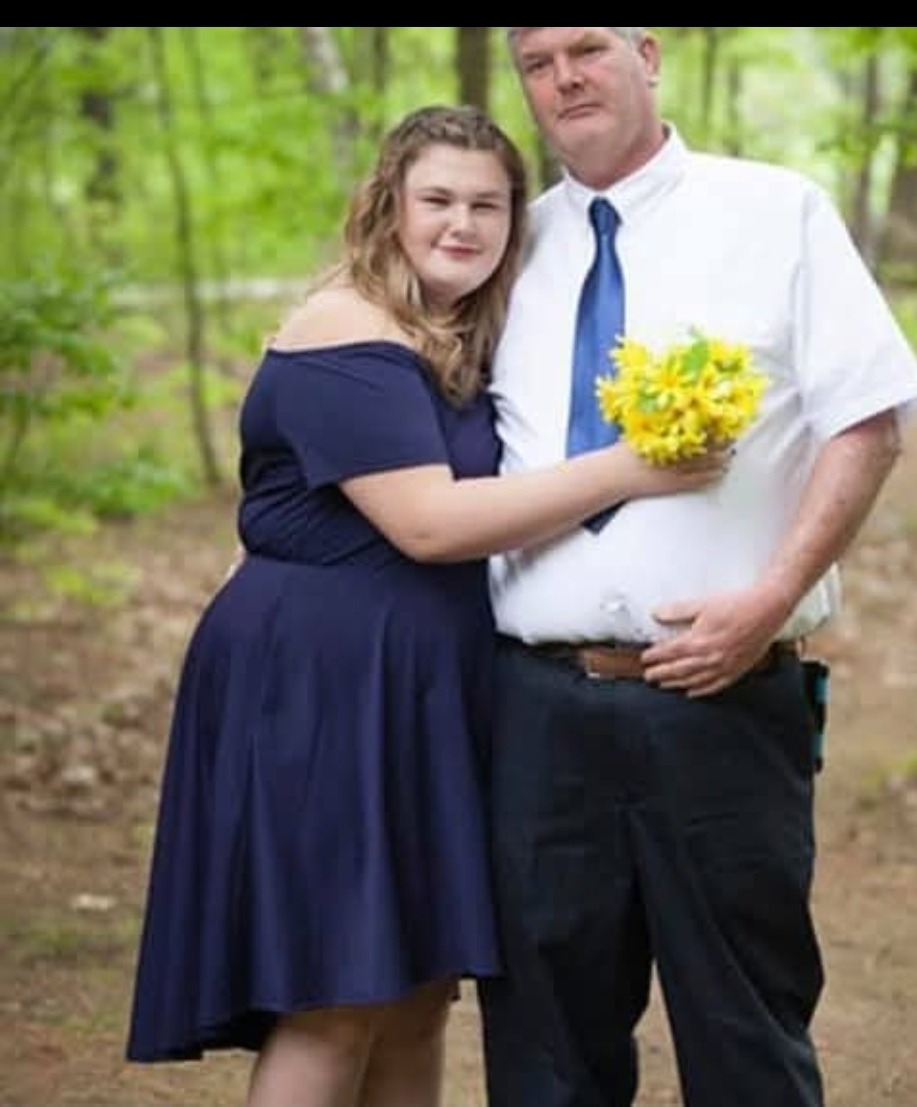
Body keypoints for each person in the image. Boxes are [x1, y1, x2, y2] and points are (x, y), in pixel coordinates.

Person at [124, 103, 725, 1107]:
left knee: (413, 995)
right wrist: (631, 467)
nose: (462, 223)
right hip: (324, 687)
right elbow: (431, 525)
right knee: (335, 998)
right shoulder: (347, 328)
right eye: (437, 199)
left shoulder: (446, 333)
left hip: (415, 687)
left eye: (488, 205)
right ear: (388, 207)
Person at [479, 27, 917, 1107]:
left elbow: (868, 422)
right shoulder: (504, 245)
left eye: (588, 48)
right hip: (537, 713)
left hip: (723, 703)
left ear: (647, 53)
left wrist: (773, 599)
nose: (564, 78)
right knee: (544, 1047)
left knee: (745, 1038)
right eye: (537, 63)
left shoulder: (776, 212)